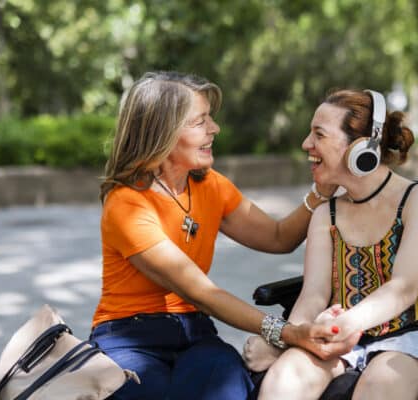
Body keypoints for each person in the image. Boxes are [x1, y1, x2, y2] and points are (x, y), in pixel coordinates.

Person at [89, 71, 359, 400]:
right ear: (164, 133)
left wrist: (321, 191)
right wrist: (288, 333)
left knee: (228, 387)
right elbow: (200, 292)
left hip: (194, 332)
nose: (214, 128)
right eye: (200, 121)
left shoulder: (210, 185)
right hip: (129, 337)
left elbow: (278, 237)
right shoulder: (126, 204)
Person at [243, 88, 418, 399]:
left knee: (378, 386)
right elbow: (313, 295)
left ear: (361, 147)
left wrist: (340, 326)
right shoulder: (326, 213)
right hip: (340, 336)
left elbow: (403, 289)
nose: (306, 144)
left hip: (412, 338)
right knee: (284, 379)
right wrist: (292, 338)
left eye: (319, 135)